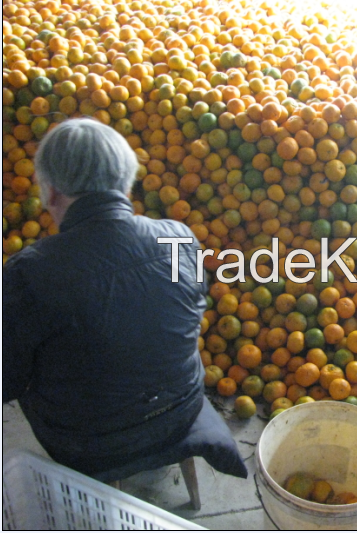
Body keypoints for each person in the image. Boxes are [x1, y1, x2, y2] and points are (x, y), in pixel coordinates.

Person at [3, 118, 244, 478]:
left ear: (50, 193)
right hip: (183, 411)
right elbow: (191, 312)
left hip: (89, 445)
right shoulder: (178, 237)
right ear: (125, 183)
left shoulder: (29, 273)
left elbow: (8, 379)